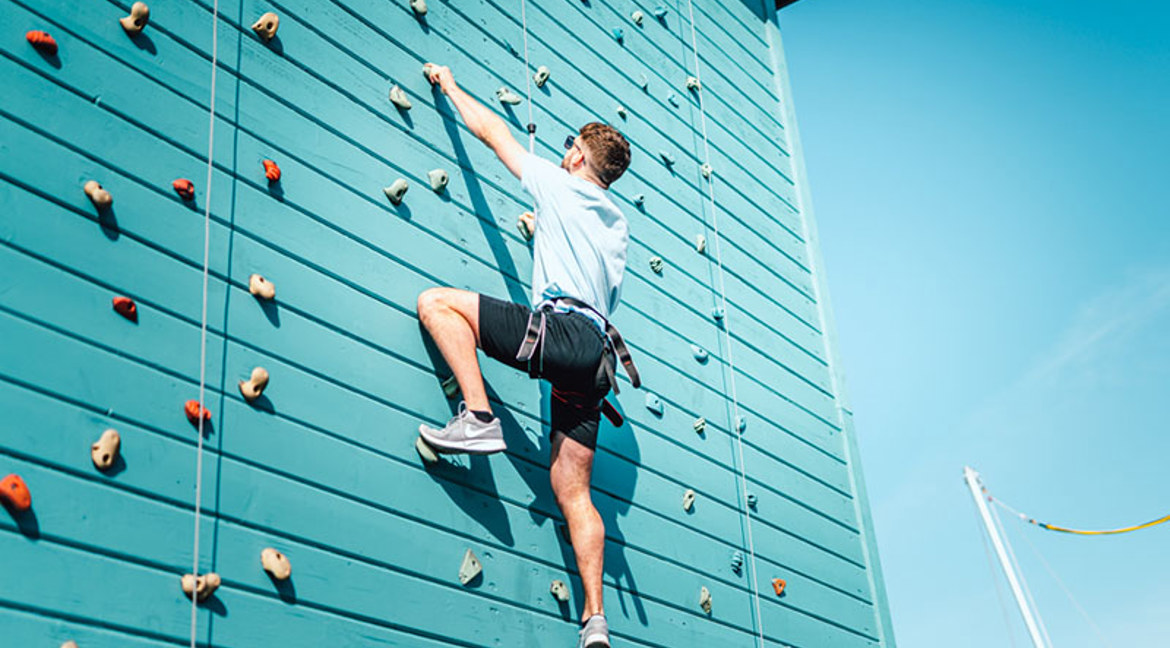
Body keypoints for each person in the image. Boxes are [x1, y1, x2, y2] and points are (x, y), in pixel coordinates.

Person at [415, 63, 635, 648]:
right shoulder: (617, 224)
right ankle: (595, 623)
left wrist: (451, 85)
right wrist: (543, 229)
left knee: (437, 303)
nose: (563, 150)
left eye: (570, 145)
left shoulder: (562, 185)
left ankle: (478, 417)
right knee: (574, 493)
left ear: (579, 160)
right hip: (596, 361)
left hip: (563, 334)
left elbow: (495, 136)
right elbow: (577, 253)